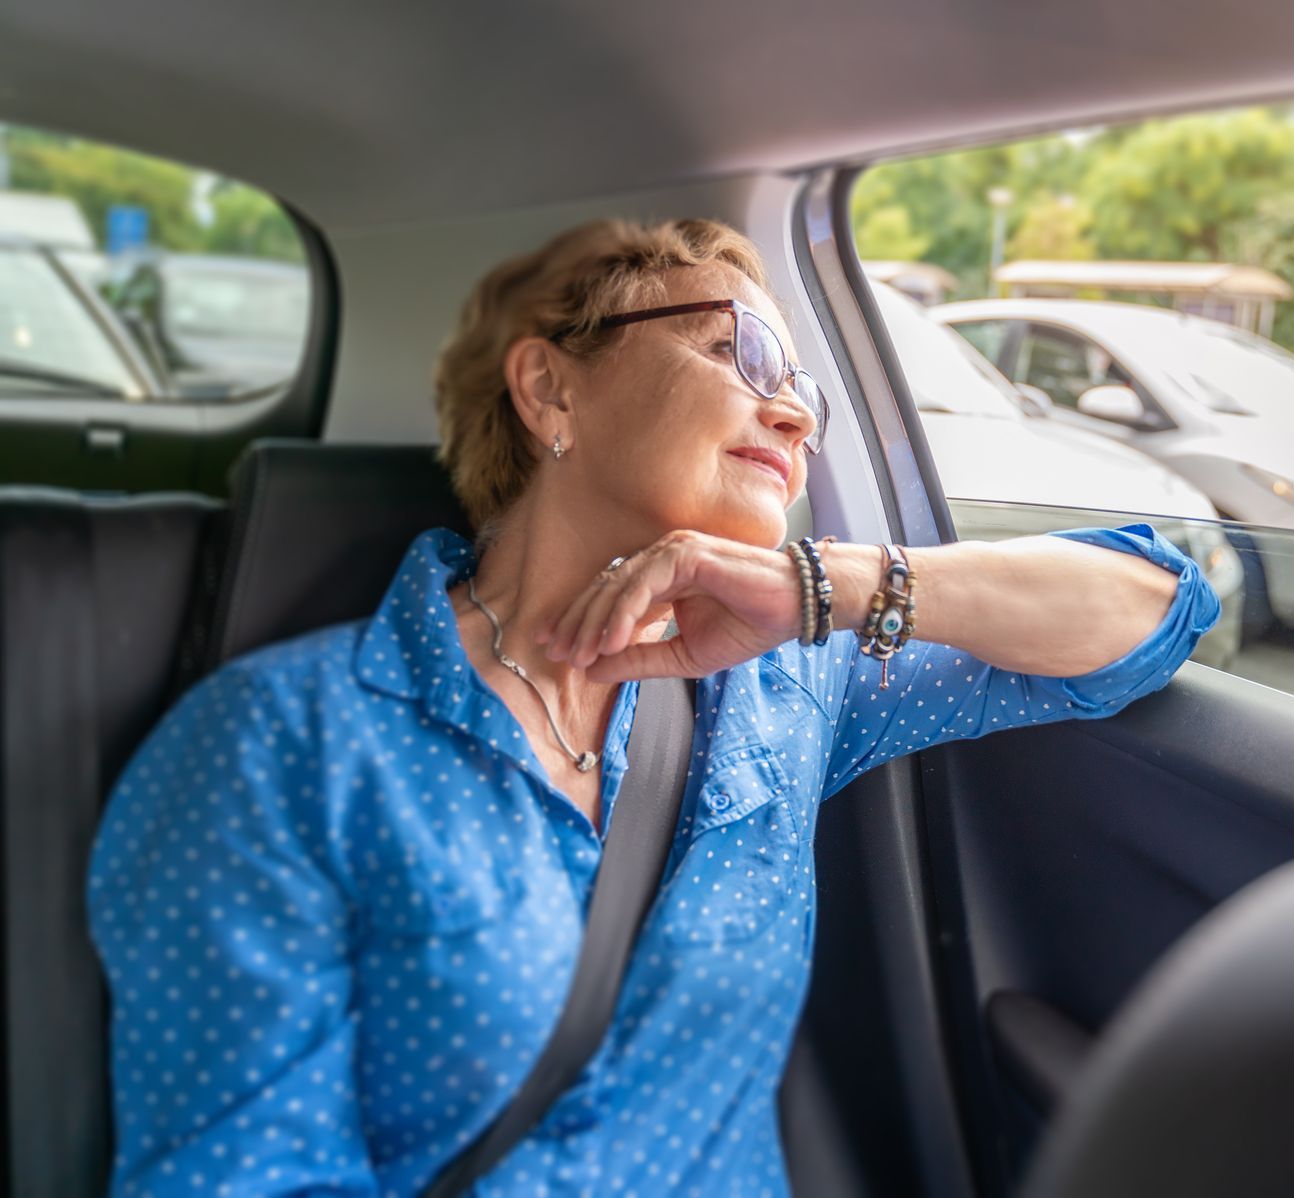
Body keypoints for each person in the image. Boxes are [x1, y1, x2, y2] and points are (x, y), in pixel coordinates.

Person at [86, 218, 1220, 1195]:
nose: (795, 418)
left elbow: (1152, 615)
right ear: (549, 387)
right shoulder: (280, 744)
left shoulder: (784, 684)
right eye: (744, 352)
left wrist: (827, 586)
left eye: (805, 392)